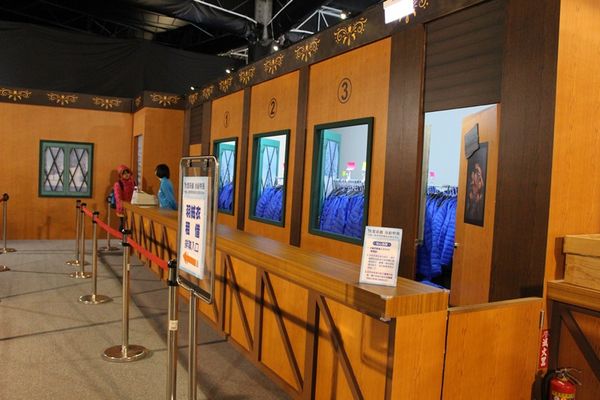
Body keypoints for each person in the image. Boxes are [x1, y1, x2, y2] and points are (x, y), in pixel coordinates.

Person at [114, 164, 136, 231]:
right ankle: (121, 236)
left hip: (132, 207)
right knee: (123, 224)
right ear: (120, 174)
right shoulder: (118, 184)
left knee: (130, 224)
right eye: (124, 173)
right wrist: (123, 206)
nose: (126, 175)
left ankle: (126, 236)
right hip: (122, 208)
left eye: (127, 172)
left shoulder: (133, 182)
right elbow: (118, 197)